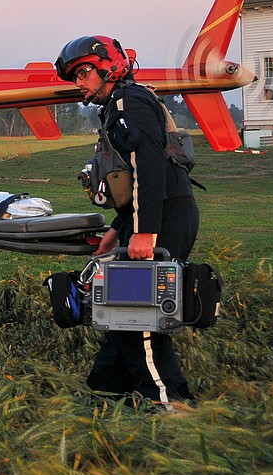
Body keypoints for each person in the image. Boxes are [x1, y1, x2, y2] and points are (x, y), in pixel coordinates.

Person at [55, 35, 198, 407]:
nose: (79, 83)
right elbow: (131, 175)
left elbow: (149, 166)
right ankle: (106, 389)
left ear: (109, 67)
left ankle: (168, 402)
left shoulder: (127, 102)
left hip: (163, 213)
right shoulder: (121, 103)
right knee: (121, 307)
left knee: (140, 314)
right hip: (154, 212)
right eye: (75, 77)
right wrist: (119, 230)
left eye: (84, 73)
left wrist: (145, 231)